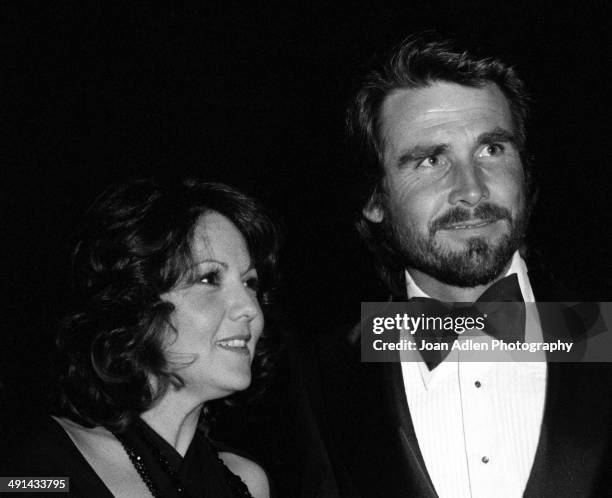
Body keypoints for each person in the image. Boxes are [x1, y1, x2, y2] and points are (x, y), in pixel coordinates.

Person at [308, 34, 612, 497]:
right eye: (431, 160)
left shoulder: (600, 329)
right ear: (374, 199)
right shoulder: (323, 378)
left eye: (492, 150)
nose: (471, 189)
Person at [5, 178, 279, 497]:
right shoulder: (40, 470)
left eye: (250, 283)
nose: (248, 308)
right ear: (134, 302)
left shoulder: (247, 481)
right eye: (209, 278)